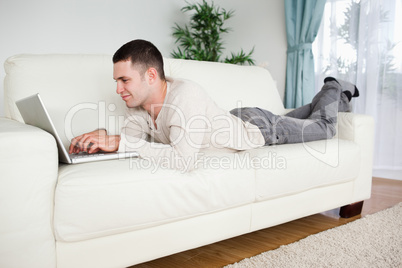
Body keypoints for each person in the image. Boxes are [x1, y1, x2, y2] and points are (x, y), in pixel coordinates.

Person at [69, 39, 359, 172]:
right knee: (303, 117)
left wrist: (121, 142)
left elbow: (184, 161)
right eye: (116, 81)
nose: (118, 89)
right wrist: (102, 138)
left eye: (124, 80)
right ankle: (326, 100)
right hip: (236, 118)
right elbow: (130, 142)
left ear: (151, 75)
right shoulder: (139, 106)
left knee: (324, 127)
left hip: (260, 130)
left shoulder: (186, 95)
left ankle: (335, 86)